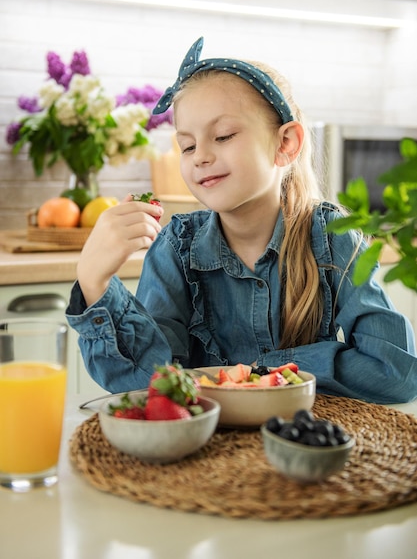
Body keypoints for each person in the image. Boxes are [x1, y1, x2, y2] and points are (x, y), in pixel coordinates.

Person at [66, 36, 417, 404]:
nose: (200, 156)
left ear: (285, 144)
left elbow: (395, 373)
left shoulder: (333, 239)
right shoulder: (176, 247)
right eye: (187, 145)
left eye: (222, 136)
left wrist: (261, 371)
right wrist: (95, 281)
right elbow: (148, 384)